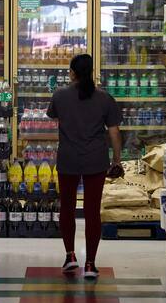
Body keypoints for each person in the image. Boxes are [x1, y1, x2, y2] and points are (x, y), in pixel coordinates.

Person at [47, 54, 122, 279]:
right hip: (95, 160)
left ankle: (70, 256)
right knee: (92, 212)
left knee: (67, 209)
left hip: (68, 159)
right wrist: (116, 160)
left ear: (72, 73)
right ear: (91, 72)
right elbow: (114, 132)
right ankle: (90, 263)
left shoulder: (60, 96)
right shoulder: (104, 98)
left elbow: (53, 117)